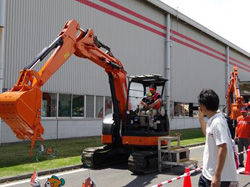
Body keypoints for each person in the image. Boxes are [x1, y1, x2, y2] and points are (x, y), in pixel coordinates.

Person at [198, 89, 238, 187]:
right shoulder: (212, 120)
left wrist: (217, 176)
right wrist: (200, 118)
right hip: (207, 174)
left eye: (200, 104)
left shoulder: (218, 122)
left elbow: (223, 147)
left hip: (220, 178)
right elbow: (207, 134)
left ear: (204, 105)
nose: (199, 107)